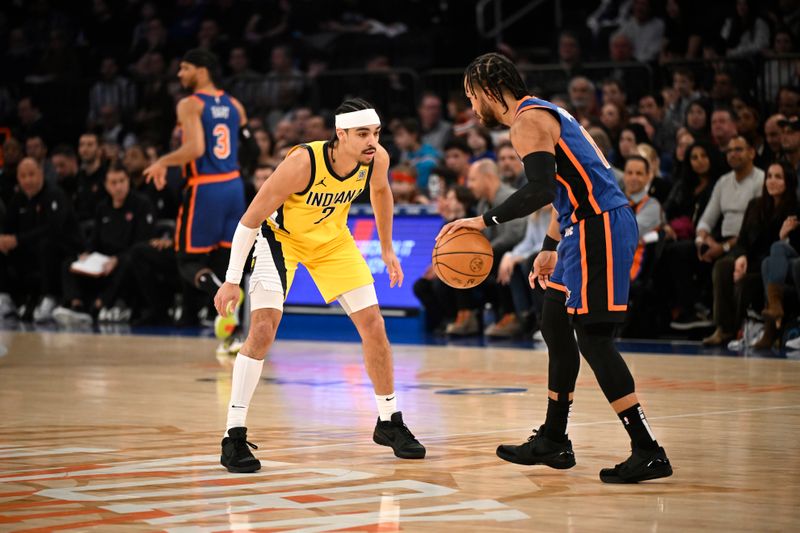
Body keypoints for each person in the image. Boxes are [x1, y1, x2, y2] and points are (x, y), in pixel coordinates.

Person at [438, 53, 672, 483]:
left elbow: (540, 188)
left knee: (594, 339)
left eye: (472, 98)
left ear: (490, 91)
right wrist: (549, 245)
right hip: (580, 227)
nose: (472, 109)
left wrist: (482, 220)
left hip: (598, 226)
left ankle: (647, 449)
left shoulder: (527, 122)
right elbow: (562, 189)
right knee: (553, 323)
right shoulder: (544, 112)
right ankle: (554, 438)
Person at [213, 98, 426, 473]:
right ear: (340, 134)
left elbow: (380, 193)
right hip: (282, 240)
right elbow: (249, 220)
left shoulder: (376, 158)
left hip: (332, 242)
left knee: (374, 325)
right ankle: (234, 435)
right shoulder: (302, 163)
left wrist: (388, 249)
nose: (372, 141)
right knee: (263, 329)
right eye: (363, 134)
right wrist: (232, 281)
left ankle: (389, 421)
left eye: (376, 133)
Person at [143, 49, 250, 353]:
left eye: (184, 68)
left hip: (205, 187)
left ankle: (220, 294)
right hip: (234, 185)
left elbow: (195, 149)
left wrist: (163, 161)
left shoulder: (190, 104)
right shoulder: (235, 105)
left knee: (187, 261)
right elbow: (251, 146)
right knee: (225, 261)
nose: (179, 74)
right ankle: (234, 336)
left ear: (202, 71)